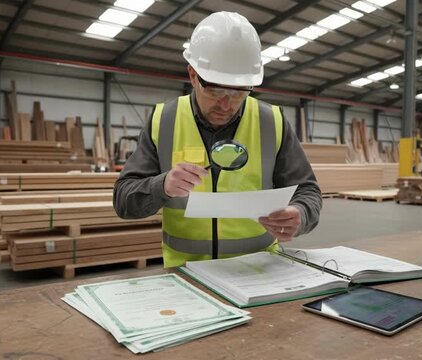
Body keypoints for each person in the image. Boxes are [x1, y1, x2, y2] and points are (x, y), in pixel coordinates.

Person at [113, 11, 322, 268]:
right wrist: (163, 185)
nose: (226, 104)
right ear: (192, 75)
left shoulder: (272, 122)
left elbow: (308, 190)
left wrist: (300, 214)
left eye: (238, 92)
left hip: (259, 271)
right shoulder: (164, 120)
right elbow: (124, 200)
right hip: (185, 274)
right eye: (214, 90)